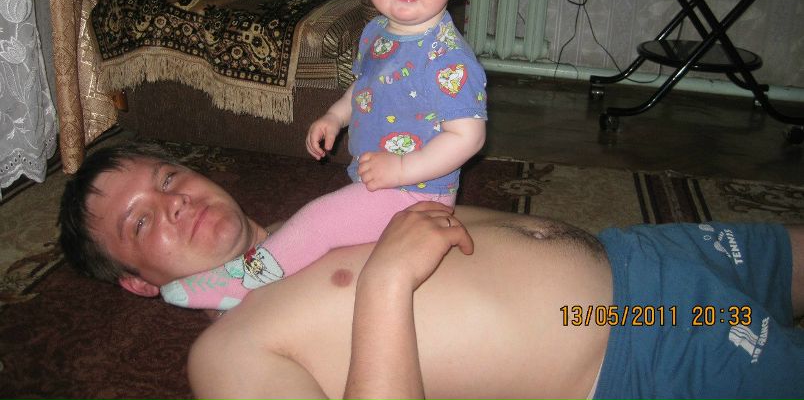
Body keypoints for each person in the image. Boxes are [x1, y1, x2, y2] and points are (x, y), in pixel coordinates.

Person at [60, 142, 804, 399]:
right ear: (138, 282)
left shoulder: (312, 224)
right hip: (637, 345)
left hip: (641, 251)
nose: (173, 203)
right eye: (140, 223)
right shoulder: (227, 350)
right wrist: (385, 282)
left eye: (166, 178)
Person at [158, 0, 488, 310]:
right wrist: (335, 116)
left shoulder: (449, 59)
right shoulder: (377, 32)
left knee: (319, 219)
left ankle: (242, 282)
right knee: (337, 235)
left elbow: (468, 137)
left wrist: (403, 168)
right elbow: (366, 86)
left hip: (418, 192)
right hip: (383, 177)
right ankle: (281, 271)